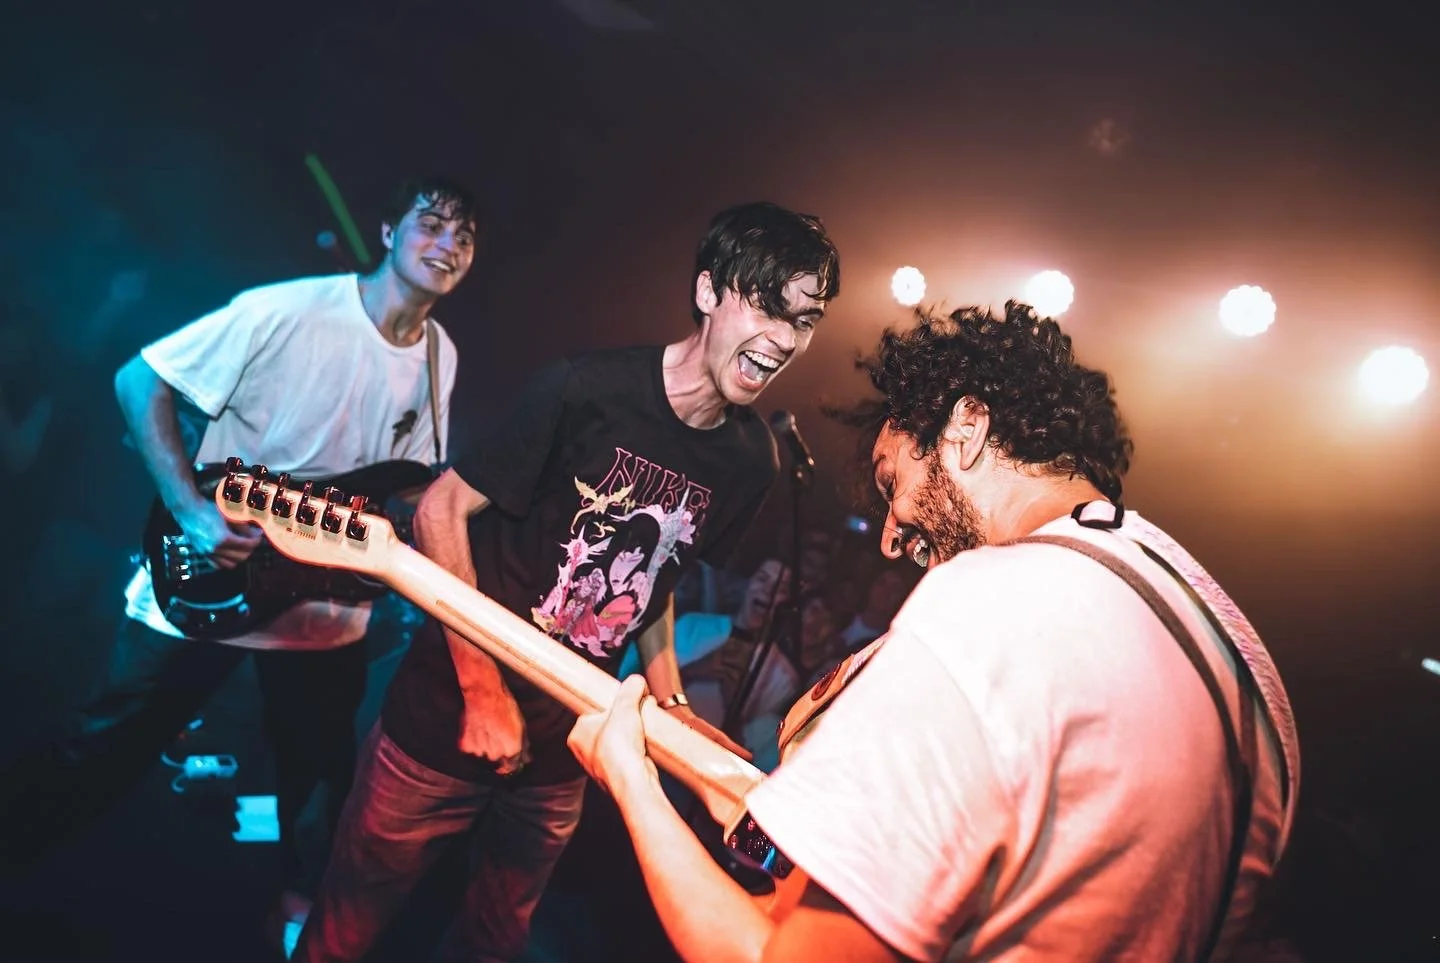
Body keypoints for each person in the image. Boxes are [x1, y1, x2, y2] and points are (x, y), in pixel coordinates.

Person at [569, 301, 1301, 962]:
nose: (891, 537)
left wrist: (631, 779)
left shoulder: (987, 603)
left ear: (966, 429)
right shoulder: (1240, 659)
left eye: (892, 483)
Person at [294, 200, 842, 962]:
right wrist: (481, 690)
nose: (784, 339)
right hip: (441, 721)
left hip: (562, 758)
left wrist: (673, 703)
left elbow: (658, 579)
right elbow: (439, 513)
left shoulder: (753, 461)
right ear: (709, 290)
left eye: (804, 321)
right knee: (346, 928)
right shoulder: (584, 388)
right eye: (768, 307)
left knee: (494, 941)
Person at [0, 175, 478, 947]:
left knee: (319, 790)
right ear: (389, 232)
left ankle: (299, 933)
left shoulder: (439, 355)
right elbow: (139, 380)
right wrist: (191, 511)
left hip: (323, 611)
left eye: (464, 236)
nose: (449, 244)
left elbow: (409, 479)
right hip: (216, 579)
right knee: (98, 749)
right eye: (433, 224)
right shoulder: (287, 310)